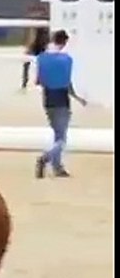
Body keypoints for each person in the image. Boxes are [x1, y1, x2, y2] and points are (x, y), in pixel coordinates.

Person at [34, 29, 87, 178]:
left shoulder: (42, 58)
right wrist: (78, 98)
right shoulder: (66, 60)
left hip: (48, 99)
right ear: (64, 42)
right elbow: (67, 83)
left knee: (57, 135)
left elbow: (38, 81)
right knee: (62, 138)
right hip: (62, 100)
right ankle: (46, 157)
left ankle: (57, 167)